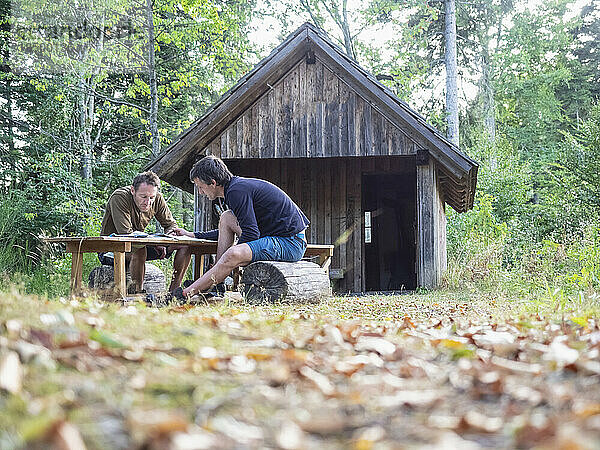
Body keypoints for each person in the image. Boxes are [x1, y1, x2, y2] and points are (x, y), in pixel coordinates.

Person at [173, 155, 309, 298]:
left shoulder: (236, 192)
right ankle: (216, 284)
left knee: (233, 254)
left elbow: (251, 233)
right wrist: (193, 235)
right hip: (275, 237)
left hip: (291, 242)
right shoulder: (235, 188)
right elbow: (239, 228)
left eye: (201, 187)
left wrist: (226, 261)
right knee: (226, 217)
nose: (200, 192)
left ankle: (184, 294)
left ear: (213, 182)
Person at [100, 171, 192, 294]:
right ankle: (137, 294)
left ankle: (174, 292)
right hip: (112, 249)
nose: (147, 202)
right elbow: (127, 235)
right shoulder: (120, 197)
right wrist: (155, 243)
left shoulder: (157, 199)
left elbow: (171, 225)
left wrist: (167, 238)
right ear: (133, 190)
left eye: (151, 198)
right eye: (143, 197)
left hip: (141, 244)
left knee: (185, 245)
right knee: (139, 248)